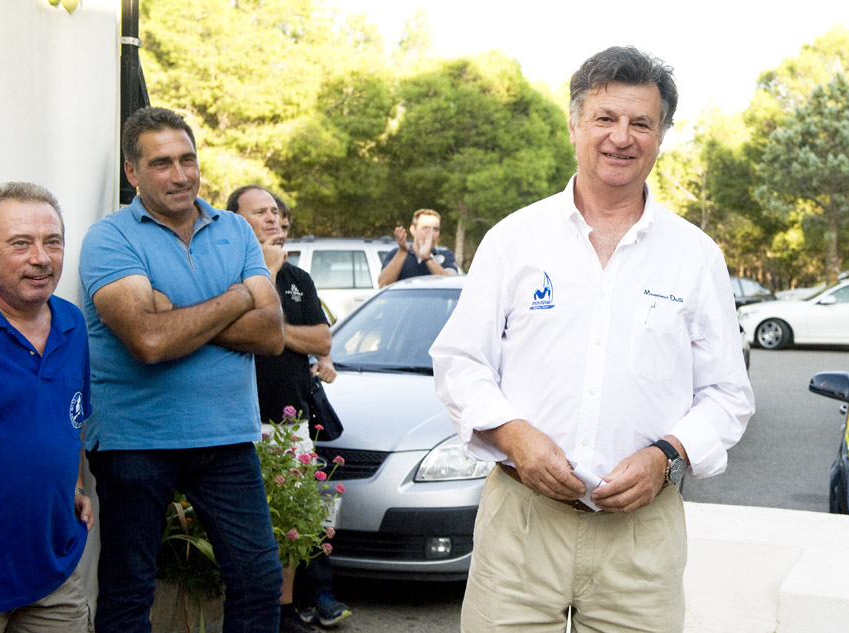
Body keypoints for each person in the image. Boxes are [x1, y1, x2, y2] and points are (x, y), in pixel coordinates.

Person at [430, 46, 755, 633]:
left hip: (641, 539)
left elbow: (728, 395)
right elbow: (460, 362)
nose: (621, 137)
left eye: (641, 123)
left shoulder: (696, 256)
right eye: (605, 118)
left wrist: (666, 457)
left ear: (661, 137)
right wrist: (515, 436)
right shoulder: (513, 240)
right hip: (520, 527)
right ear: (575, 124)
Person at [78, 107, 285, 633]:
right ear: (132, 172)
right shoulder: (109, 238)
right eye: (161, 163)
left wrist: (175, 314)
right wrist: (237, 297)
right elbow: (148, 342)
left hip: (226, 437)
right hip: (134, 440)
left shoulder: (234, 228)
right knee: (129, 593)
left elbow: (271, 334)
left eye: (187, 159)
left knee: (259, 581)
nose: (180, 175)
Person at [226, 186, 350, 631]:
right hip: (240, 421)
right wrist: (267, 277)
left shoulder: (298, 278)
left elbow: (321, 338)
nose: (273, 220)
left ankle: (284, 610)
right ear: (236, 221)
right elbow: (247, 332)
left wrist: (279, 330)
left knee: (292, 521)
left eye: (276, 213)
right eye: (261, 212)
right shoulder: (228, 274)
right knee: (252, 526)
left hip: (291, 421)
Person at [0, 182, 94, 630]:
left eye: (53, 242)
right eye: (21, 243)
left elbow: (71, 418)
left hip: (53, 572)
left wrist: (77, 485)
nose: (42, 258)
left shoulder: (72, 323)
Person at [377, 208, 457, 287]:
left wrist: (427, 259)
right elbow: (383, 284)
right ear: (413, 230)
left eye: (435, 229)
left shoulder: (446, 255)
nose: (431, 234)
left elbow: (452, 283)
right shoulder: (396, 254)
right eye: (425, 228)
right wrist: (402, 252)